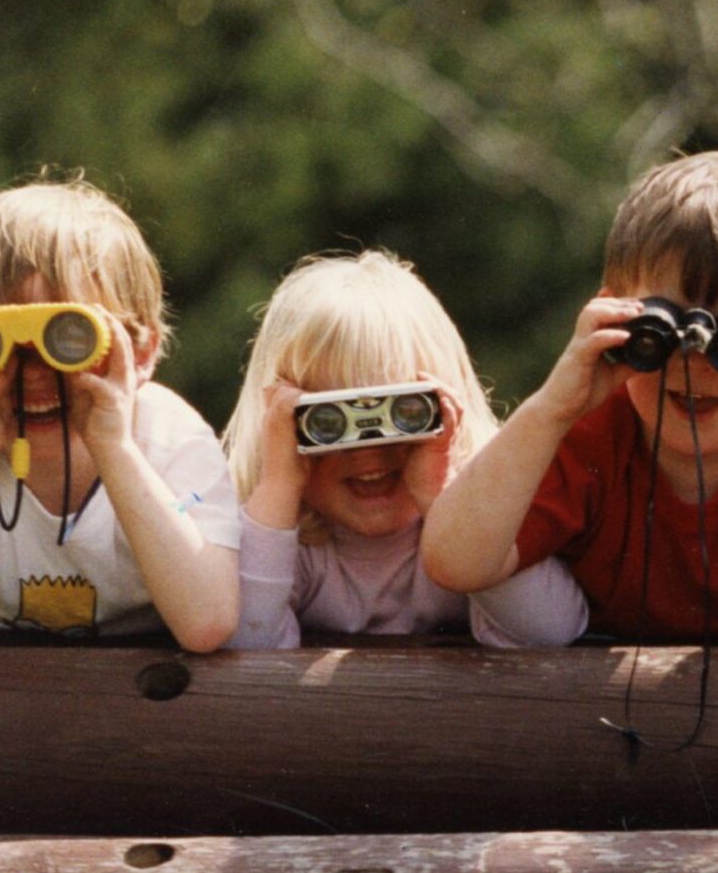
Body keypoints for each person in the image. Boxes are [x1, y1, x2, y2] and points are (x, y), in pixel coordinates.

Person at [419, 150, 718, 647]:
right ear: (613, 314)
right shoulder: (588, 431)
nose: (694, 360)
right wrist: (552, 407)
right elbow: (455, 562)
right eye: (663, 327)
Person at [0, 177, 239, 657]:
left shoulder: (168, 438)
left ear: (142, 352)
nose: (32, 376)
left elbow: (208, 622)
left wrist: (116, 449)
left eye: (69, 341)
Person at [220, 250, 588, 648]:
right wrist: (279, 486)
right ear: (278, 427)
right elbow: (242, 642)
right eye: (328, 421)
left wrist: (446, 500)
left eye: (405, 413)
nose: (370, 452)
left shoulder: (489, 517)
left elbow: (548, 632)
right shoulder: (287, 538)